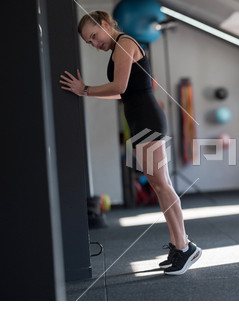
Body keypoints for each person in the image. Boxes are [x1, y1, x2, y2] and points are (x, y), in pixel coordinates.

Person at [60, 10, 201, 275]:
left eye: (93, 36)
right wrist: (87, 93)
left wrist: (86, 89)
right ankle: (179, 245)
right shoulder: (118, 48)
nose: (94, 44)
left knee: (162, 184)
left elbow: (120, 87)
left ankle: (185, 247)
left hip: (147, 119)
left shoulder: (125, 43)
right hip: (138, 120)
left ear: (104, 24)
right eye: (89, 42)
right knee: (161, 186)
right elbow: (122, 93)